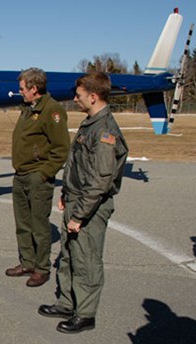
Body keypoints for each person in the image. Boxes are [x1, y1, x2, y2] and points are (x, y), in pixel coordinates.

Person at [38, 72, 129, 333]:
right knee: (68, 255)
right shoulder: (90, 123)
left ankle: (86, 313)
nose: (75, 99)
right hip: (77, 200)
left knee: (87, 260)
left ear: (93, 96)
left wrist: (80, 215)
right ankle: (67, 302)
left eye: (78, 96)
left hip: (90, 206)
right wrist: (66, 195)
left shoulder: (104, 132)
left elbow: (100, 180)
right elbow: (78, 165)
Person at [7, 67, 70, 287]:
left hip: (37, 177)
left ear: (34, 88)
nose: (20, 92)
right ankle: (27, 263)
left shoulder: (52, 111)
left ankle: (41, 268)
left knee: (39, 226)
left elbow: (61, 148)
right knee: (22, 224)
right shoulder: (28, 108)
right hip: (21, 175)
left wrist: (44, 174)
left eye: (23, 88)